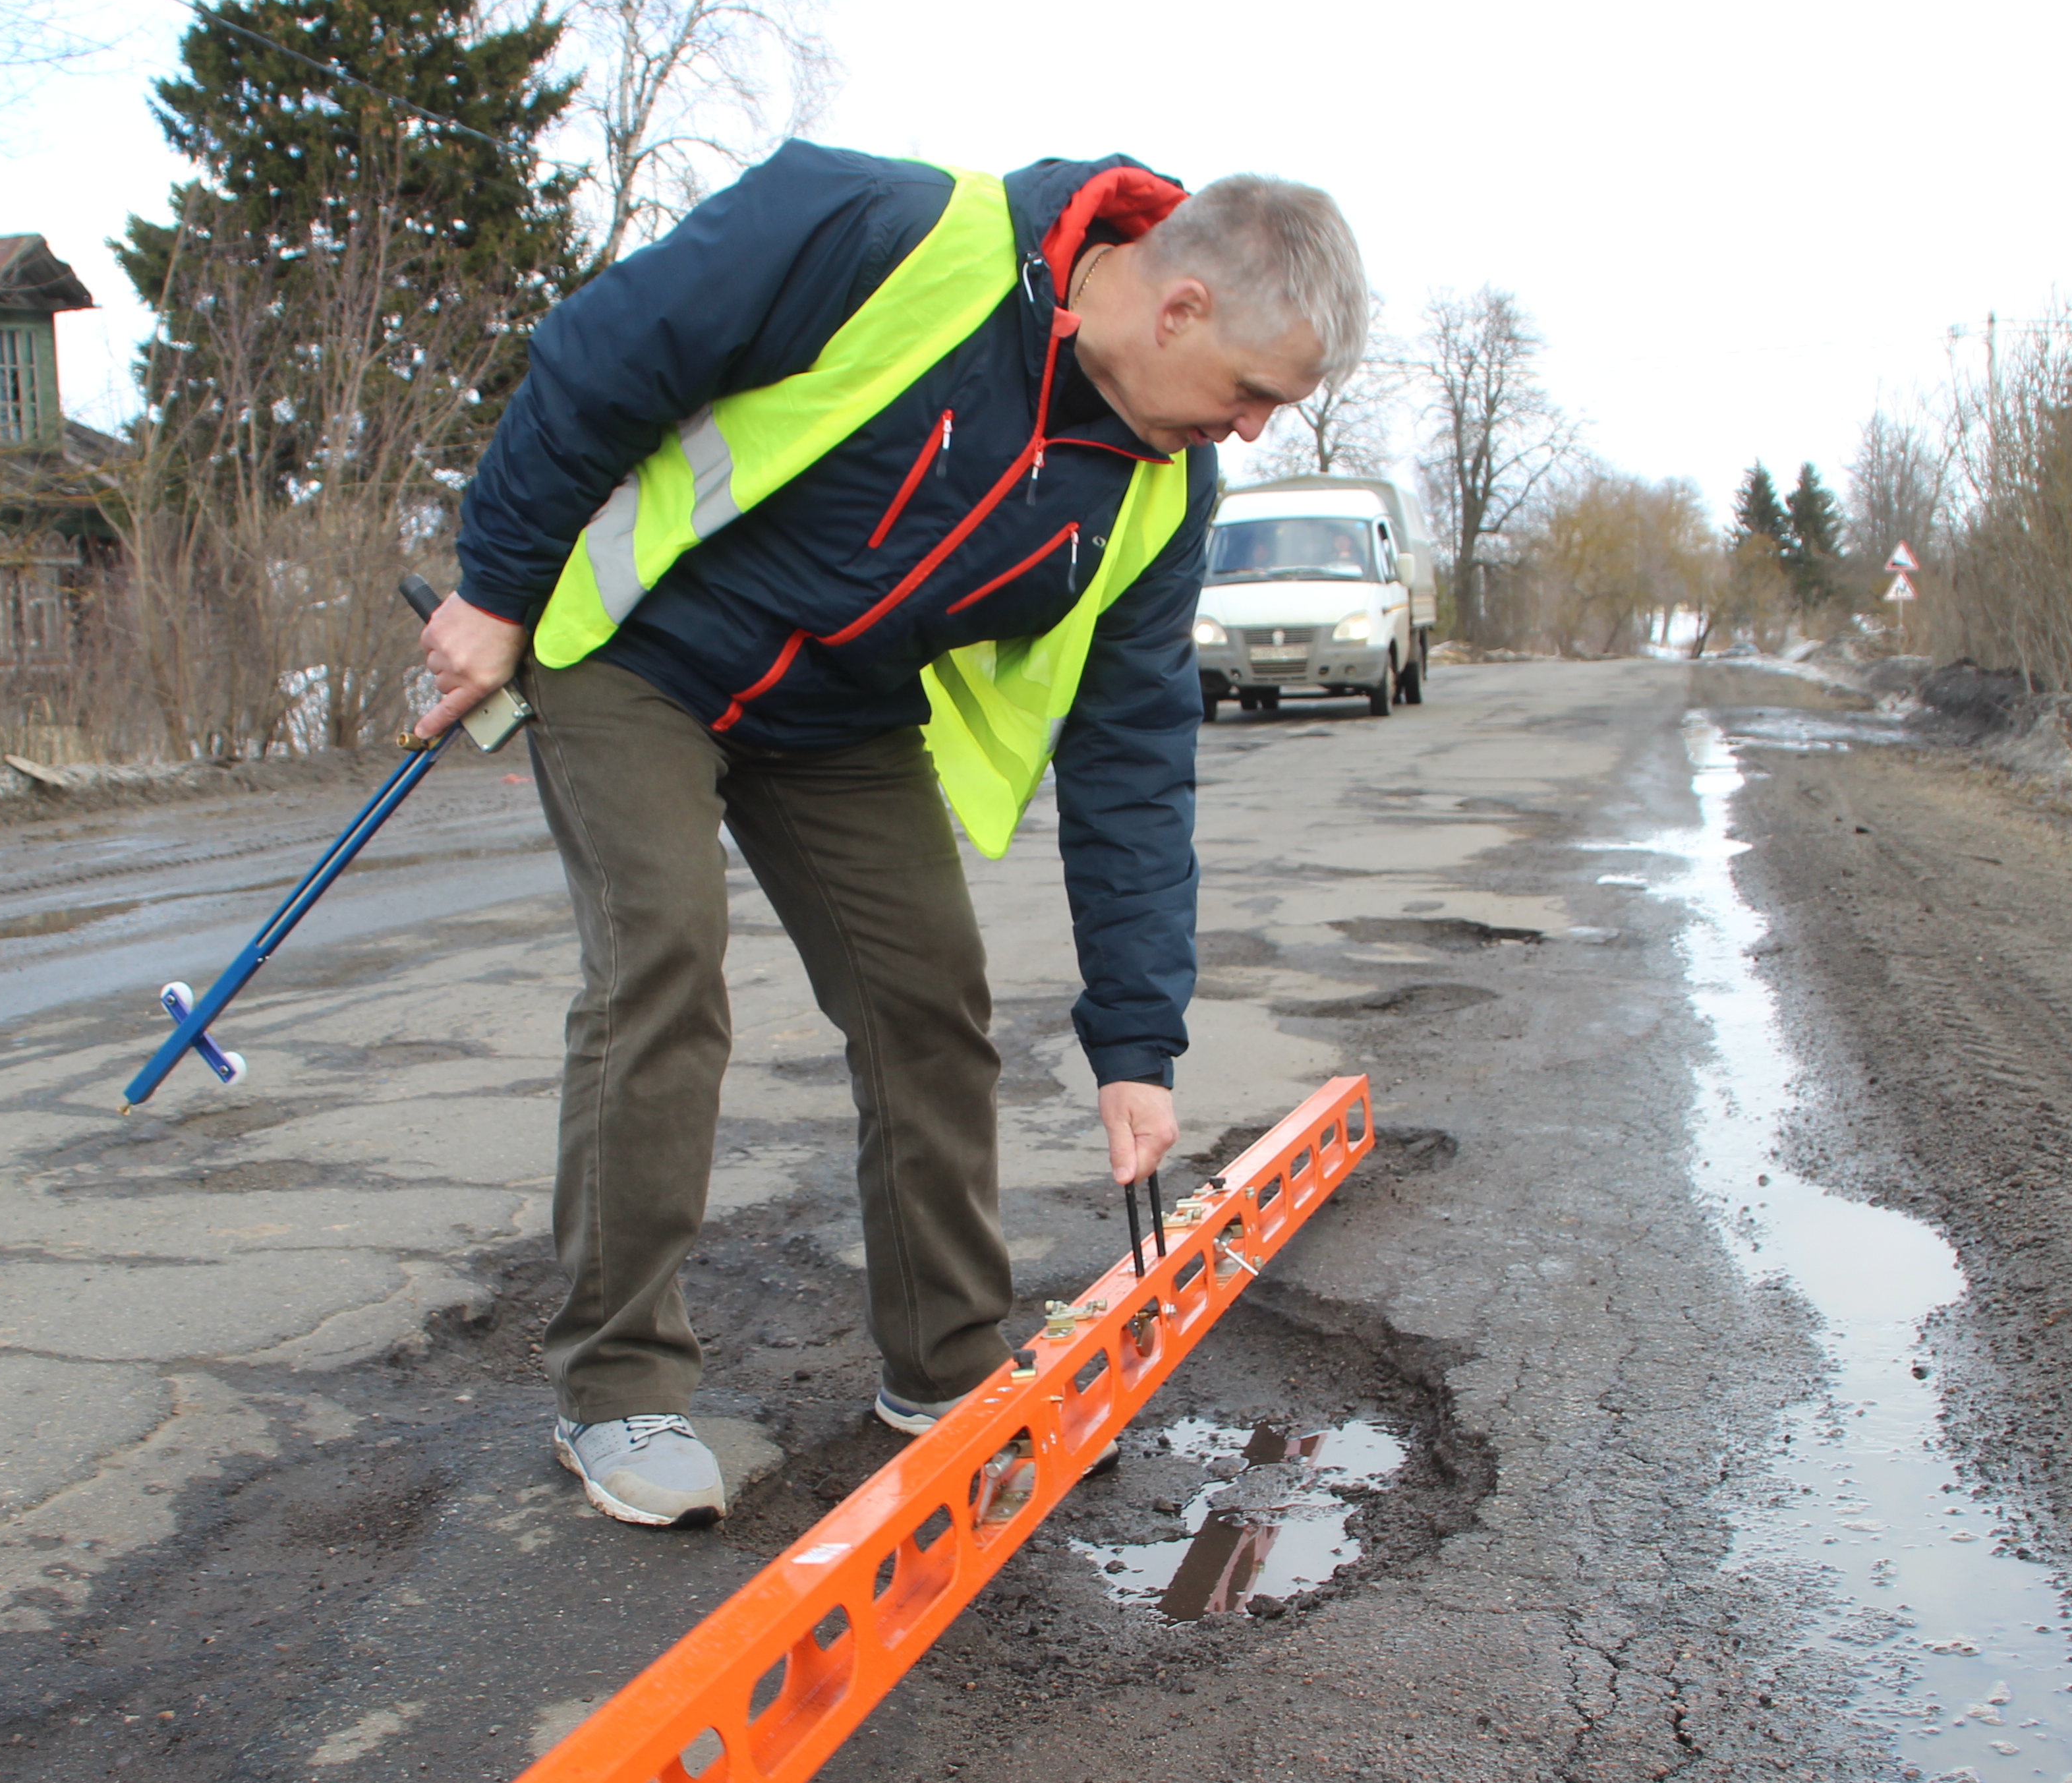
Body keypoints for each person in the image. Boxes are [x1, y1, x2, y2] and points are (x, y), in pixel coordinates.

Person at [413, 146, 1367, 1527]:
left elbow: (1134, 766)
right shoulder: (884, 230)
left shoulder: (1162, 495)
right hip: (636, 653)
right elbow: (607, 350)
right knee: (665, 955)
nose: (1254, 430)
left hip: (836, 716)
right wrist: (496, 591)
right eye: (1251, 393)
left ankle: (948, 1367)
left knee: (929, 999)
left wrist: (1137, 1046)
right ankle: (618, 1387)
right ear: (1178, 309)